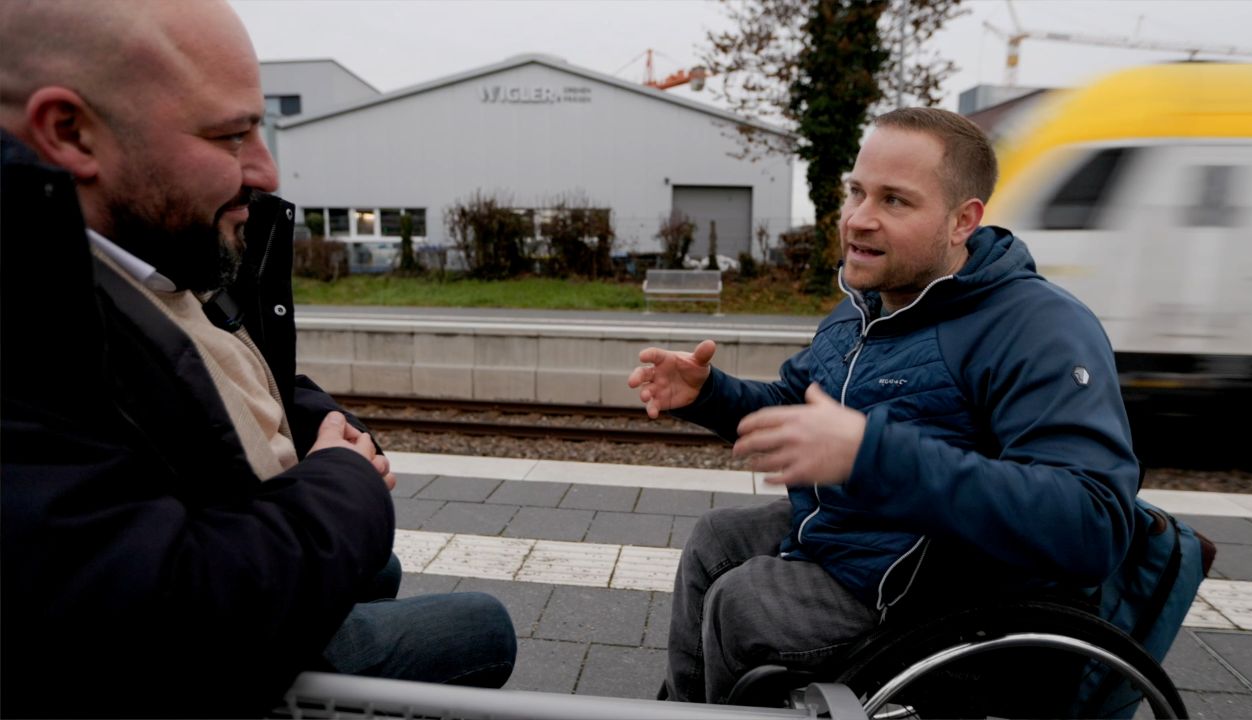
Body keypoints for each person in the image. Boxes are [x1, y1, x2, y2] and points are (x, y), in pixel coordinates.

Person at [0, 1, 514, 716]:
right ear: (69, 131)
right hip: (207, 650)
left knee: (381, 565)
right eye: (231, 134)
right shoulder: (33, 317)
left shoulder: (133, 246)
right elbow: (166, 624)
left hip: (248, 540)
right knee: (485, 628)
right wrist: (346, 483)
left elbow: (217, 363)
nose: (266, 169)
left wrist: (321, 422)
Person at [628, 107, 1140, 704]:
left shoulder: (1039, 328)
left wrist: (872, 456)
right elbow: (798, 408)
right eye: (856, 191)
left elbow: (1093, 524)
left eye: (895, 201)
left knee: (746, 602)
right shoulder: (866, 307)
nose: (858, 219)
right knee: (717, 540)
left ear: (962, 221)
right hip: (868, 545)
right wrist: (709, 394)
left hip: (948, 598)